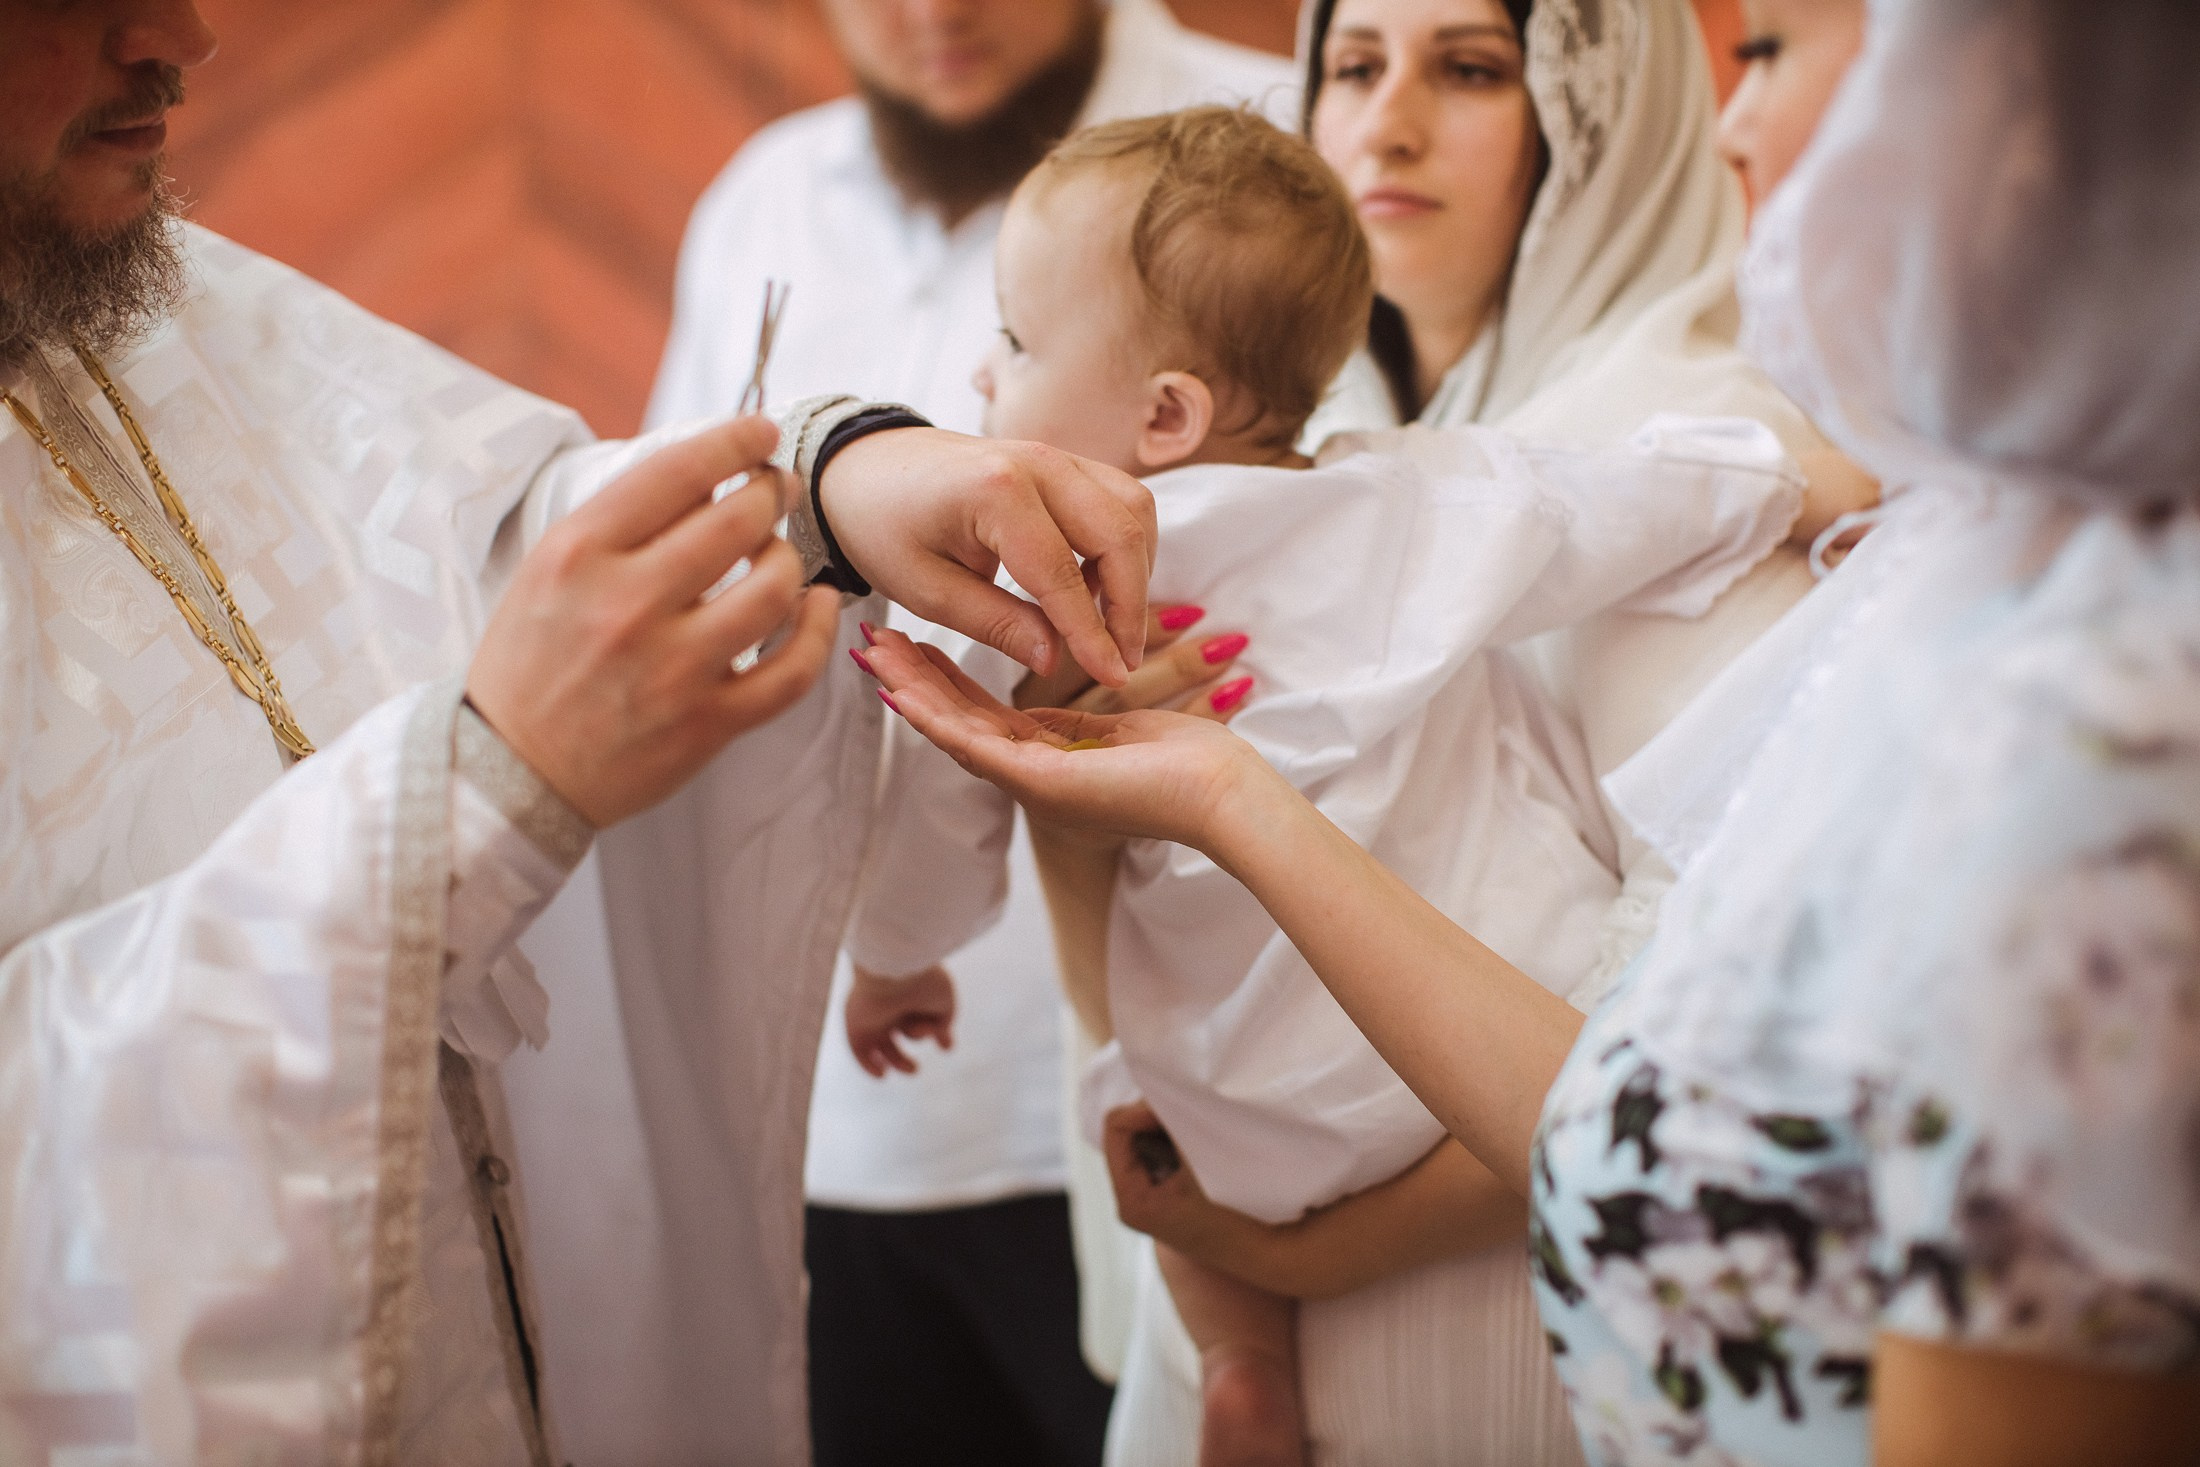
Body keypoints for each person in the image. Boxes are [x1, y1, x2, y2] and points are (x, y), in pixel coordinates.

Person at [856, 0, 2200, 1460]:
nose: (1389, 121)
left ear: (1593, 104)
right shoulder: (1376, 469)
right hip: (1334, 1140)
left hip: (1478, 1278)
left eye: (1473, 68)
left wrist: (902, 949)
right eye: (1354, 66)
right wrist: (1077, 829)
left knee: (1159, 1101)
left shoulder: (1636, 424)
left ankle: (1243, 1344)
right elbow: (1599, 512)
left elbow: (1661, 1044)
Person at [0, 2, 1162, 1460]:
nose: (185, 33)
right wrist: (484, 790)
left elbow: (500, 529)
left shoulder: (130, 286)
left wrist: (827, 486)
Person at [850, 106, 1805, 1466]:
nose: (981, 374)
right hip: (1472, 1043)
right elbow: (1626, 507)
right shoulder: (1417, 503)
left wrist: (896, 962)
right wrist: (1793, 489)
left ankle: (1243, 1359)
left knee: (1125, 1097)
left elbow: (940, 797)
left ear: (1164, 415)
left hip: (1242, 1123)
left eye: (1012, 342)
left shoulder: (1039, 576)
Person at [645, 4, 1288, 1460]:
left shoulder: (1273, 146)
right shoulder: (765, 195)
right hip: (829, 1109)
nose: (935, 13)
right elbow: (688, 554)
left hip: (1161, 1102)